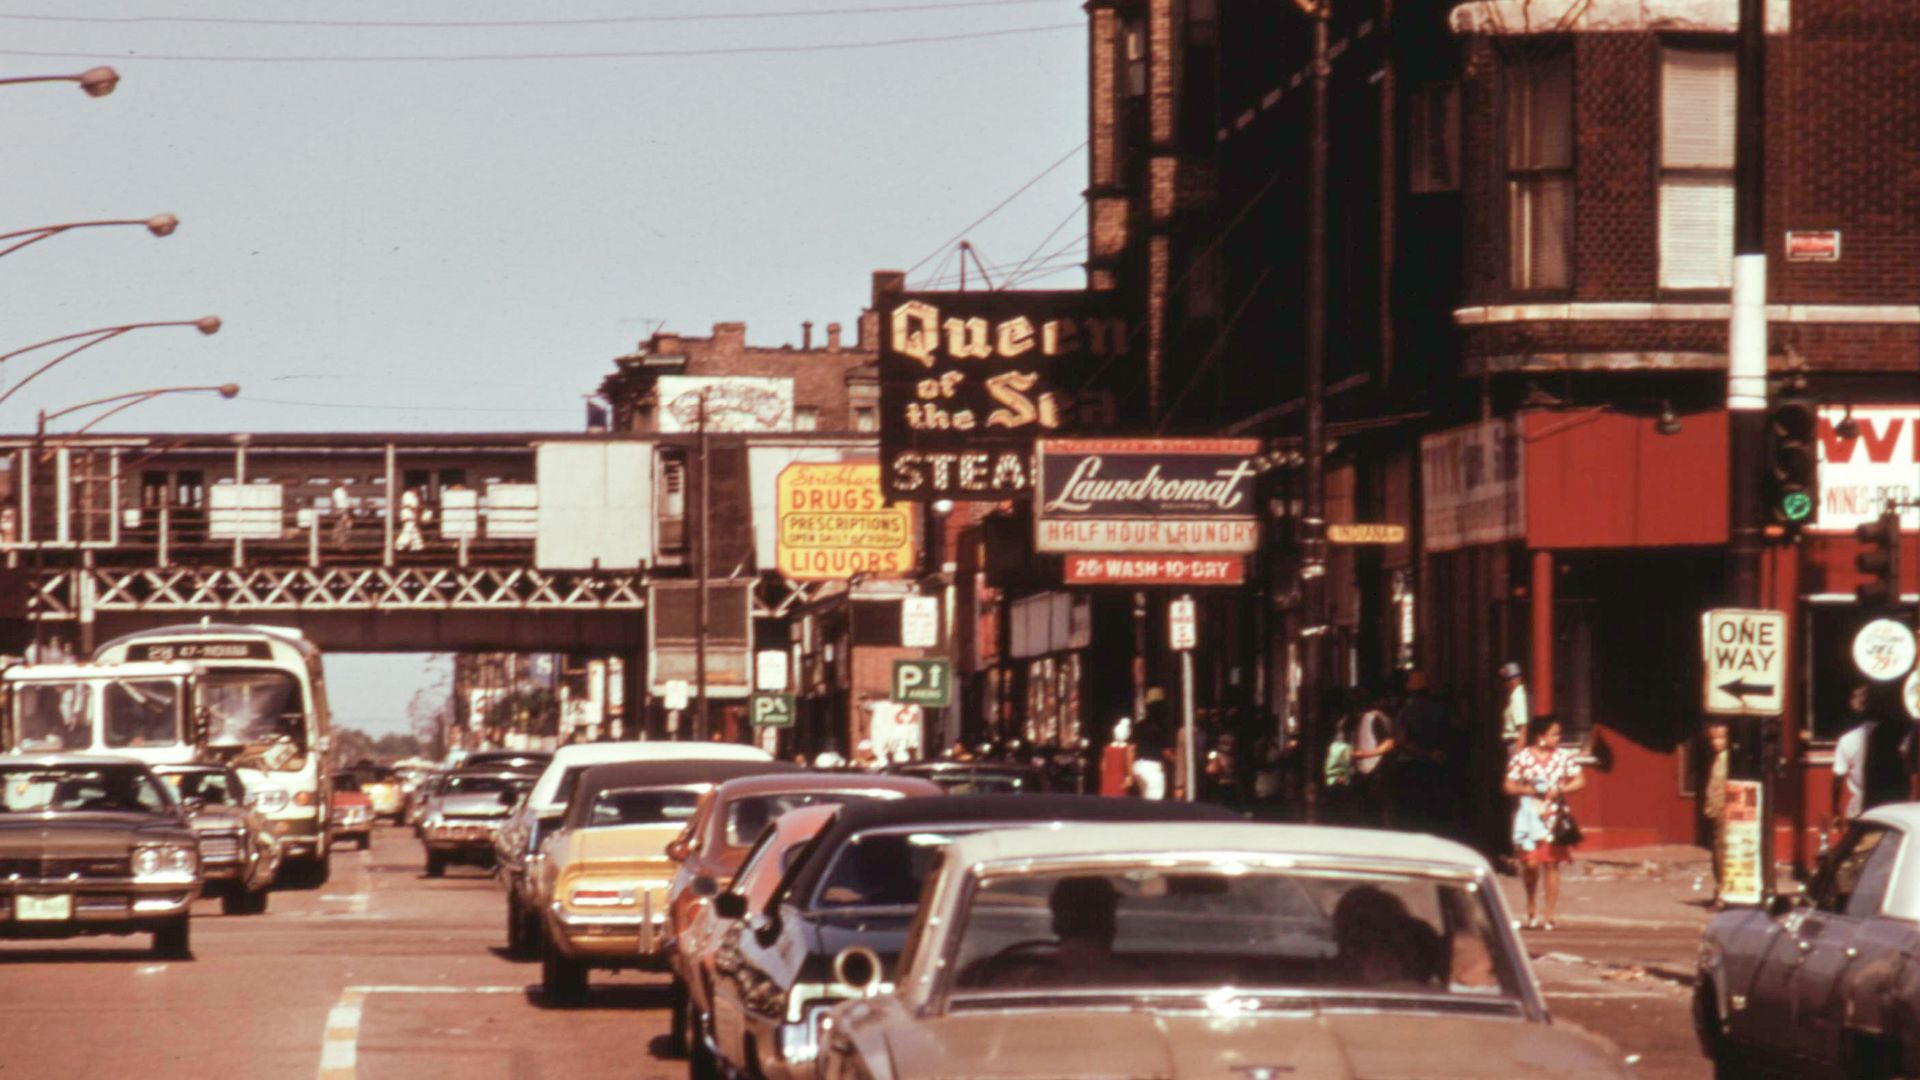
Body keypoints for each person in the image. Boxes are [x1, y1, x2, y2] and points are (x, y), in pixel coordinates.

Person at [1504, 716, 1586, 930]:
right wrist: (1528, 790)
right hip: (1529, 815)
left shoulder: (1563, 757)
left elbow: (1580, 780)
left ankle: (1549, 912)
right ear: (1541, 736)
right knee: (1530, 863)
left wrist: (1560, 789)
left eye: (1558, 734)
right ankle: (1531, 902)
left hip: (1553, 815)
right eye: (1554, 734)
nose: (1557, 738)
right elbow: (1508, 785)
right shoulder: (1522, 758)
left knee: (1551, 863)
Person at [1832, 682, 1916, 832]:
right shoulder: (1901, 736)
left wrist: (1835, 812)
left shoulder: (1847, 739)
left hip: (1859, 812)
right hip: (1893, 810)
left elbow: (1838, 778)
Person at [1392, 671, 1454, 832]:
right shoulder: (1441, 711)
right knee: (1431, 814)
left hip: (1411, 767)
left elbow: (1401, 741)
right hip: (1436, 766)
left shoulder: (1405, 712)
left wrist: (1424, 753)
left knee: (1411, 815)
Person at [1701, 720, 1731, 906]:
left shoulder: (1727, 759)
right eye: (1713, 738)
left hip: (1724, 812)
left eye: (1720, 737)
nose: (1716, 742)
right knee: (1717, 852)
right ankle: (1721, 887)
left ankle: (1723, 889)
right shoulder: (1719, 759)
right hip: (1717, 811)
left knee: (1721, 853)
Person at [1131, 690, 1171, 800]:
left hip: (1138, 766)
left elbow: (1133, 749)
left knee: (1144, 801)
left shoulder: (1138, 726)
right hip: (1153, 768)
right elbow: (1166, 752)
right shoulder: (1160, 728)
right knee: (1154, 804)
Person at [1498, 662, 1529, 755]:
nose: (1506, 683)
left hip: (1515, 744)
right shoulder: (1512, 696)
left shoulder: (1518, 697)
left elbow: (1523, 728)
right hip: (1510, 743)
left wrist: (1517, 753)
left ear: (1517, 678)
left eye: (1509, 679)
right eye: (1505, 680)